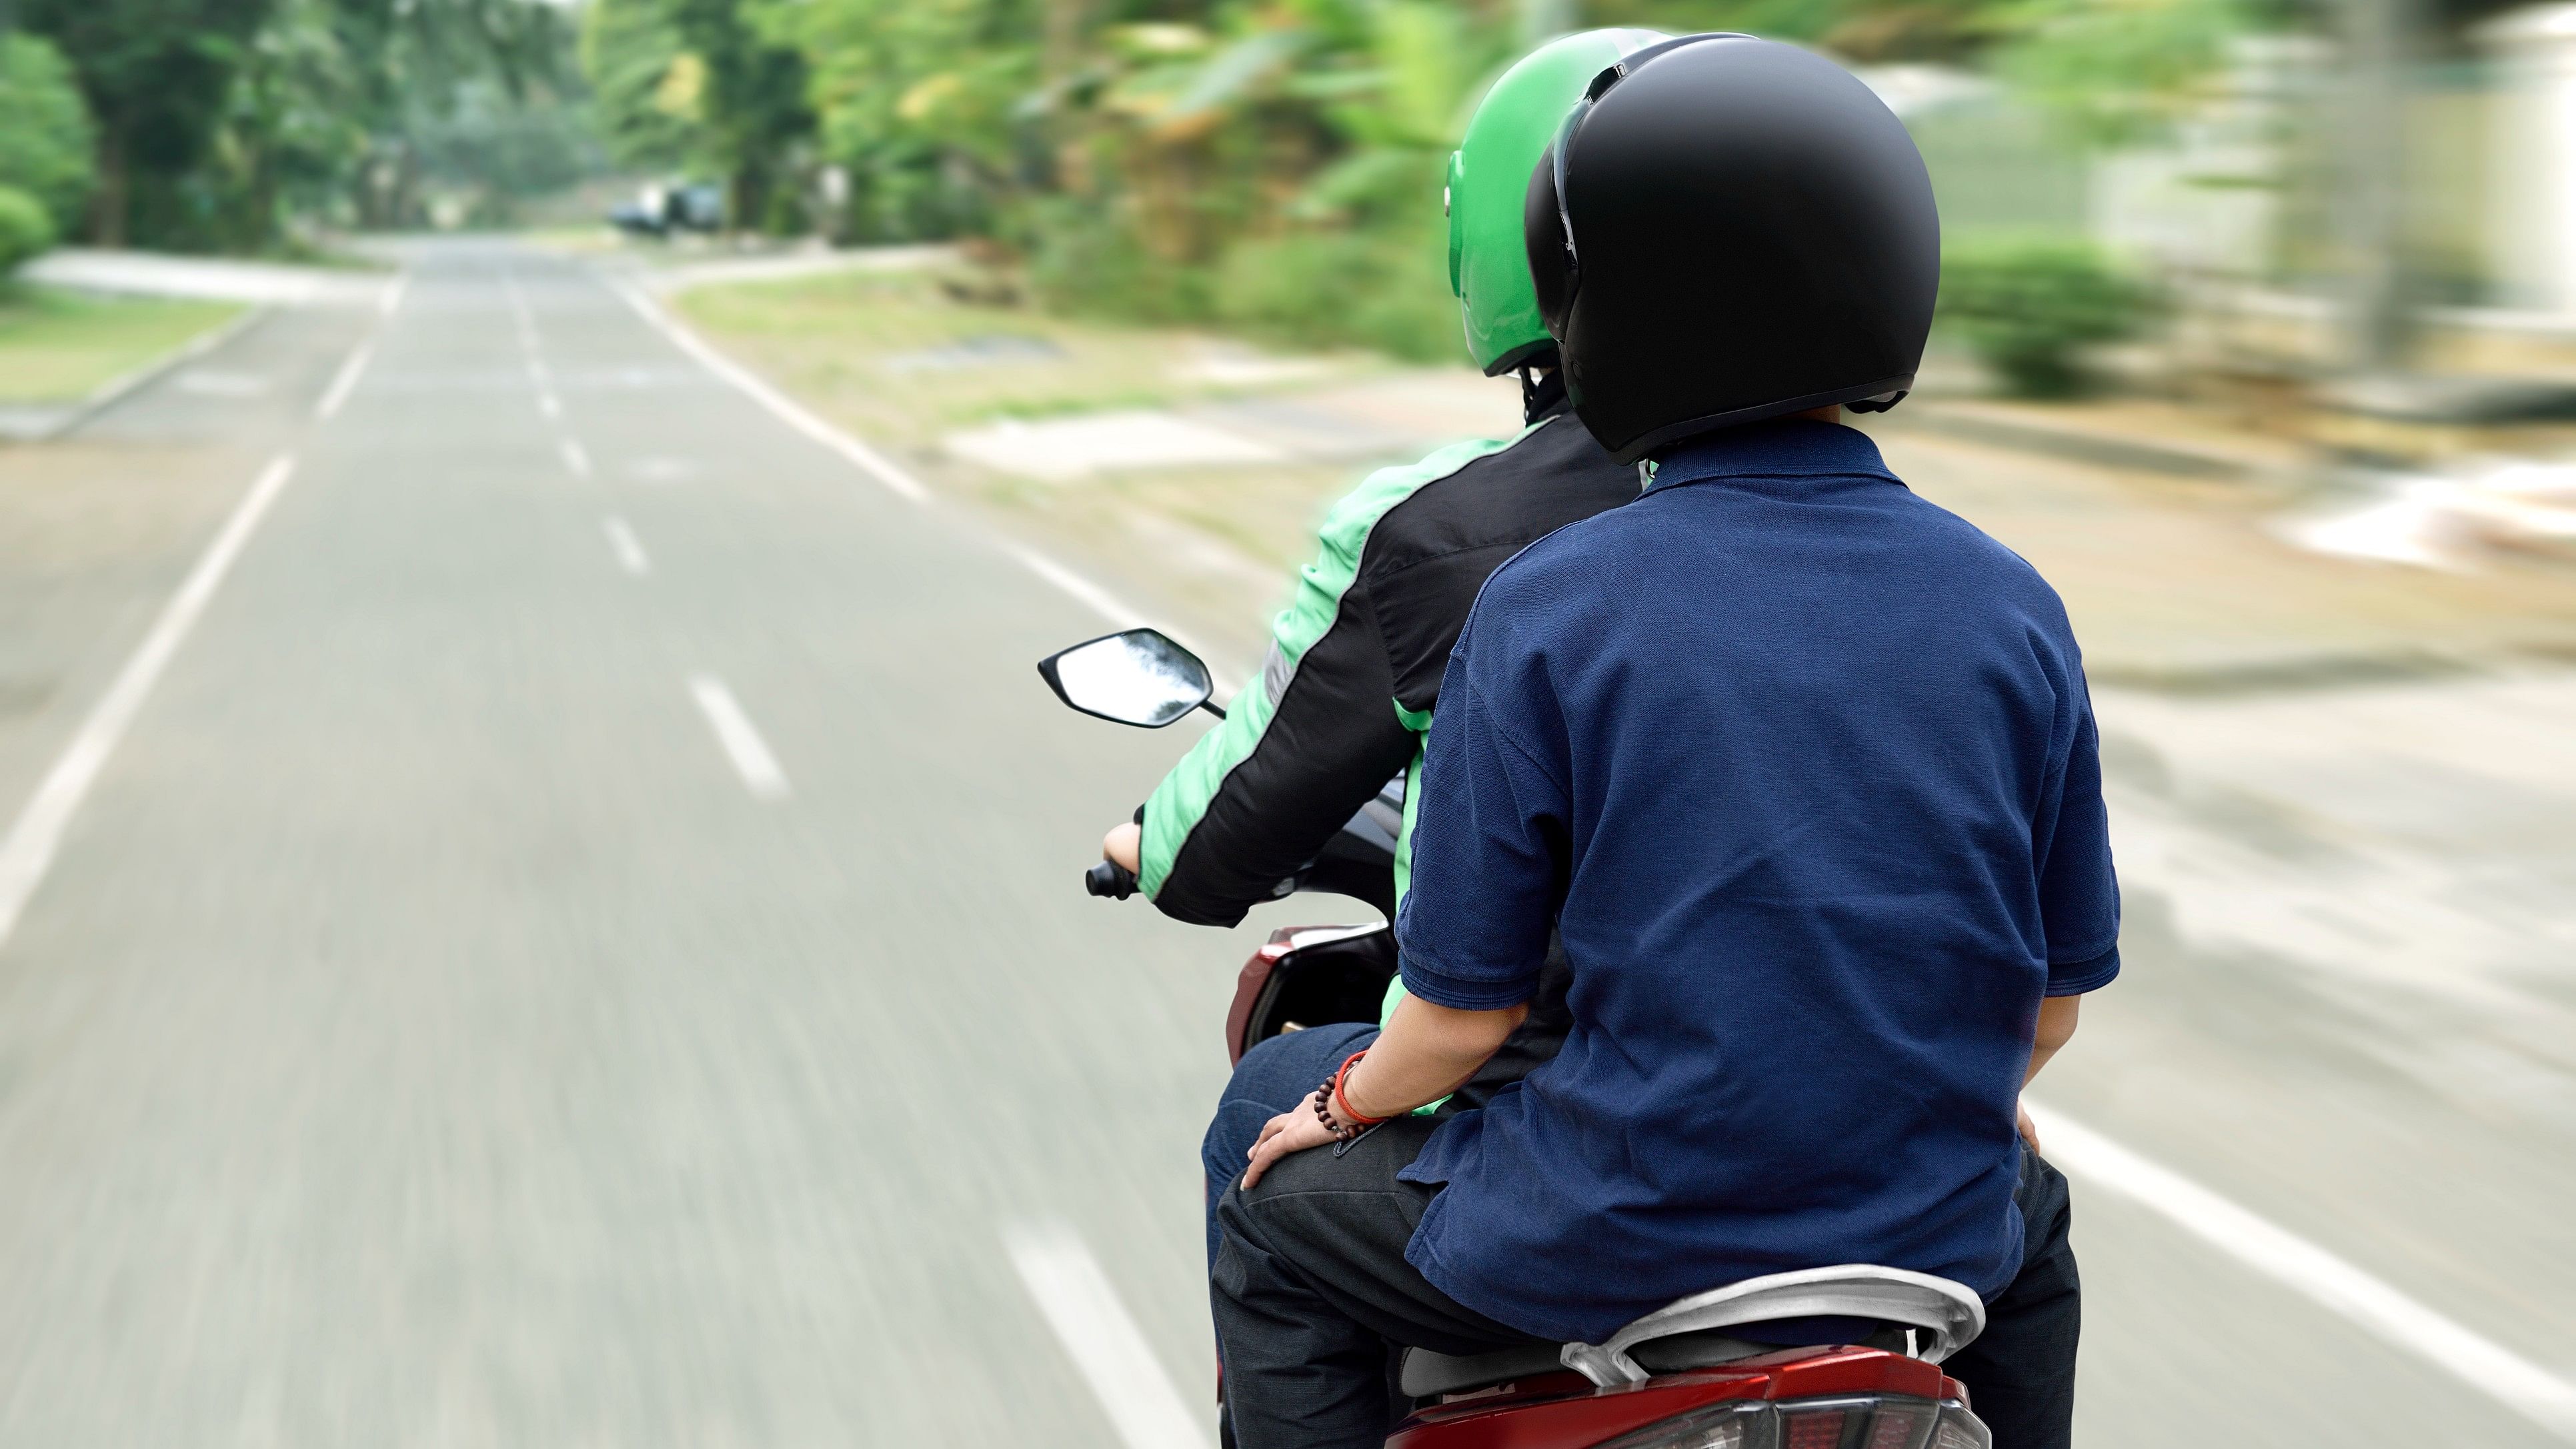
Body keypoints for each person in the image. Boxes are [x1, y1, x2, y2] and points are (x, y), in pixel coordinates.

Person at [1208, 35, 2114, 1449]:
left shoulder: (1549, 607)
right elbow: (2045, 1009)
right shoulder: (2013, 601)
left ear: (1598, 304)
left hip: (1606, 1233)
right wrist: (1938, 1120)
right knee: (2036, 1230)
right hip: (1915, 1233)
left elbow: (1457, 1022)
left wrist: (1328, 1105)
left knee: (1261, 1175)